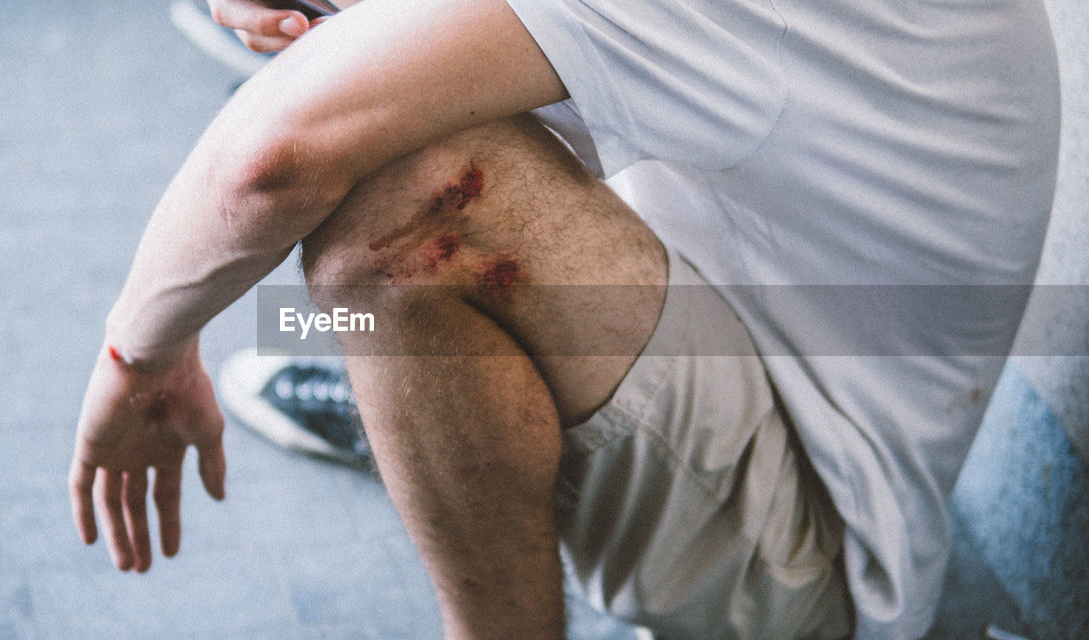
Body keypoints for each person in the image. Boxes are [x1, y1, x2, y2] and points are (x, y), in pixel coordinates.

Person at [65, 0, 1060, 637]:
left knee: (409, 203)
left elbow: (270, 157)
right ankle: (427, 420)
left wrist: (137, 357)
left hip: (810, 573)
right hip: (743, 374)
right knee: (396, 103)